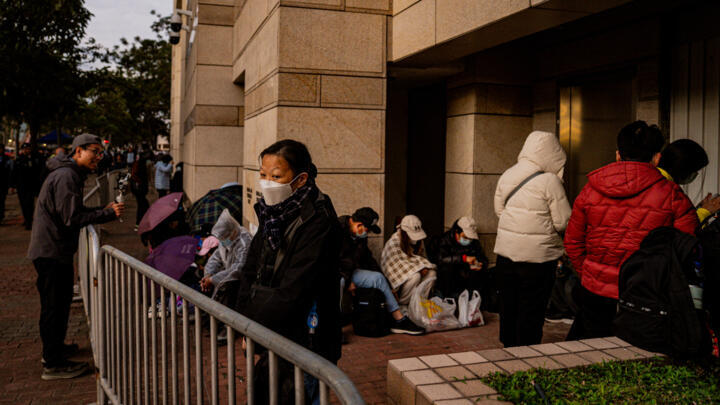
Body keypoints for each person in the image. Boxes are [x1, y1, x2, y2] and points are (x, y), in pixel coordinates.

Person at [564, 121, 699, 340]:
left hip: (594, 291)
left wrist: (590, 273)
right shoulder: (672, 195)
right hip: (646, 296)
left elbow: (573, 242)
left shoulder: (589, 190)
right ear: (656, 157)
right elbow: (686, 248)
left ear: (618, 155)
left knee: (590, 355)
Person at [232, 139, 341, 404]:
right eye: (263, 175)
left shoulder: (318, 219)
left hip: (307, 338)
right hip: (273, 332)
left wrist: (254, 327)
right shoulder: (272, 213)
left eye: (277, 176)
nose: (267, 182)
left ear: (301, 179)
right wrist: (244, 320)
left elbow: (295, 288)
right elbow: (251, 268)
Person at [28, 133, 125, 380]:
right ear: (78, 151)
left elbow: (74, 211)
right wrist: (105, 215)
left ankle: (55, 349)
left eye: (100, 152)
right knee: (53, 306)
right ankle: (52, 363)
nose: (98, 157)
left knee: (59, 305)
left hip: (54, 250)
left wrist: (102, 211)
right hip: (51, 252)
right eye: (94, 151)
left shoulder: (69, 174)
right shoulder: (66, 176)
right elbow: (71, 218)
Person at [493, 130, 572, 347]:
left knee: (509, 306)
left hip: (506, 256)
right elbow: (563, 222)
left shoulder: (508, 174)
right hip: (538, 260)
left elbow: (499, 210)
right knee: (532, 309)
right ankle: (526, 354)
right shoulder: (550, 181)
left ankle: (508, 349)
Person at [339, 207, 424, 335]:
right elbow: (327, 260)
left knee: (377, 278)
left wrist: (389, 287)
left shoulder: (360, 237)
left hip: (349, 272)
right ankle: (332, 327)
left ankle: (399, 320)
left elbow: (369, 260)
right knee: (339, 282)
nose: (366, 234)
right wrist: (348, 280)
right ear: (359, 225)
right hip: (332, 273)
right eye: (367, 230)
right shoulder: (334, 229)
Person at [658, 139, 720, 222]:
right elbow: (682, 230)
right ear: (684, 169)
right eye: (694, 171)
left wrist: (695, 210)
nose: (695, 174)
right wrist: (704, 212)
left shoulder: (650, 179)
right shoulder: (669, 193)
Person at [426, 216, 488, 300]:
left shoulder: (474, 243)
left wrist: (481, 264)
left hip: (466, 276)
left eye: (470, 238)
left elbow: (483, 258)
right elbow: (441, 259)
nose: (468, 240)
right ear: (457, 233)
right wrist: (463, 258)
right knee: (447, 269)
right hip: (449, 277)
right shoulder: (445, 239)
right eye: (465, 237)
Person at [381, 215, 436, 305]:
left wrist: (423, 266)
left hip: (414, 268)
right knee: (415, 276)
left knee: (432, 274)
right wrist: (419, 268)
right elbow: (397, 263)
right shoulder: (394, 241)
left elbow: (423, 258)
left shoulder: (419, 241)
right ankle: (403, 303)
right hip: (401, 278)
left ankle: (419, 303)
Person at [200, 209, 252, 302]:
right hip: (228, 287)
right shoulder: (226, 241)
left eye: (224, 238)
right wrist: (208, 275)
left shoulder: (245, 241)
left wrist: (212, 280)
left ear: (233, 232)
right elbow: (216, 258)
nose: (223, 241)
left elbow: (238, 268)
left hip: (242, 287)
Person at [11, 143, 44, 229]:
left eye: (28, 149)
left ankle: (29, 221)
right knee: (23, 204)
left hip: (31, 186)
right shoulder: (18, 160)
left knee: (30, 204)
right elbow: (14, 174)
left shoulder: (34, 159)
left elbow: (38, 172)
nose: (26, 150)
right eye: (25, 149)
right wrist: (12, 185)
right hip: (21, 186)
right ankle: (26, 219)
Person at [130, 150, 151, 232]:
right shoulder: (140, 165)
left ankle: (141, 223)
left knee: (143, 206)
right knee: (142, 206)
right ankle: (139, 224)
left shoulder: (137, 163)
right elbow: (137, 176)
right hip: (140, 190)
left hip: (139, 190)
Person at [0, 151, 12, 224]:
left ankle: (1, 215)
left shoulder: (6, 159)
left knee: (2, 200)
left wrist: (10, 184)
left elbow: (9, 171)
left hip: (3, 183)